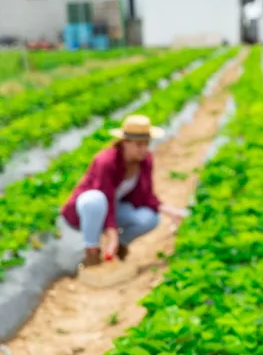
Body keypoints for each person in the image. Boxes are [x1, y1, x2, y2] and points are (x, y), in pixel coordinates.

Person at [61, 114, 187, 267]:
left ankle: (120, 247)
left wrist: (170, 210)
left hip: (113, 208)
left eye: (146, 143)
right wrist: (111, 234)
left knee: (149, 217)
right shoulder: (106, 162)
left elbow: (145, 196)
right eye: (139, 144)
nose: (144, 149)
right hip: (87, 213)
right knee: (95, 200)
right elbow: (106, 199)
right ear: (125, 142)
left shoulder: (145, 160)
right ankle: (91, 253)